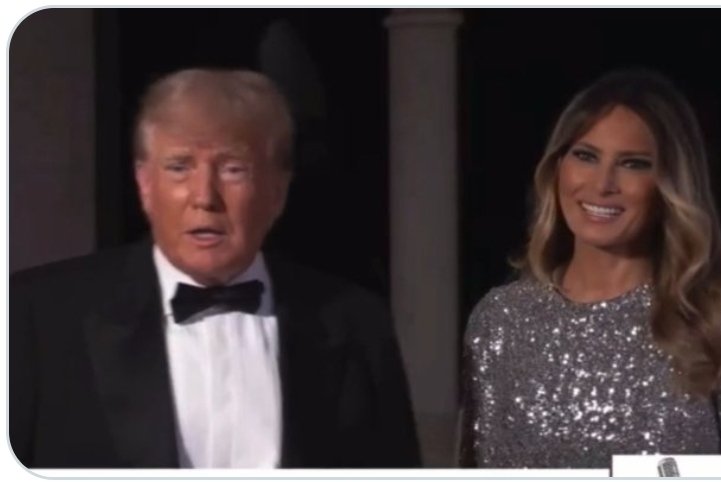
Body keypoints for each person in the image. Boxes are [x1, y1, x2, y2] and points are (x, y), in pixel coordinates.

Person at [10, 68, 420, 468]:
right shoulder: (38, 317)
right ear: (144, 184)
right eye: (179, 167)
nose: (204, 196)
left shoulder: (356, 322)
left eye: (232, 169)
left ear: (277, 190)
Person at [459, 69, 721, 476]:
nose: (603, 184)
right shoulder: (500, 320)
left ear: (669, 183)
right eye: (586, 156)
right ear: (557, 167)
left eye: (633, 164)